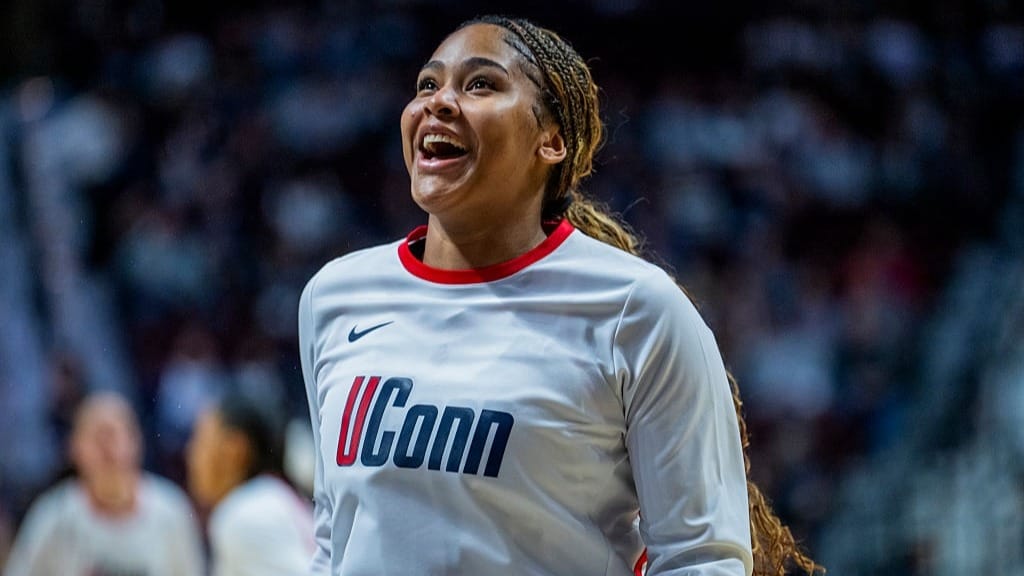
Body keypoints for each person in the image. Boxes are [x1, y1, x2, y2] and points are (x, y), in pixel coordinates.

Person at [298, 15, 821, 576]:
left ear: (551, 140)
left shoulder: (637, 311)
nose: (439, 102)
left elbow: (701, 559)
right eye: (427, 84)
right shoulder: (335, 297)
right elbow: (336, 538)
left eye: (481, 84)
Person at [3, 391, 205, 576]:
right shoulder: (52, 517)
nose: (106, 447)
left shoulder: (171, 511)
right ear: (74, 448)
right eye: (96, 436)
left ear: (136, 442)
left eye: (113, 434)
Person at [186, 390, 315, 576]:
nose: (190, 453)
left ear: (234, 449)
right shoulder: (276, 498)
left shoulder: (244, 516)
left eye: (200, 439)